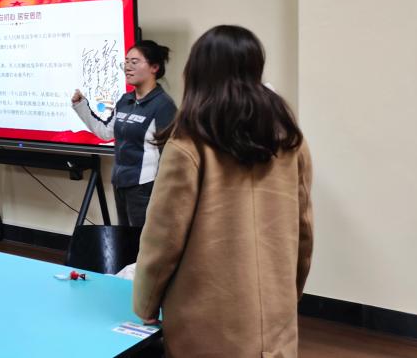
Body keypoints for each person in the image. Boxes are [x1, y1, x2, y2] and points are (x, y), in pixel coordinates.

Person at [133, 25, 314, 357]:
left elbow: (164, 237)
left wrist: (145, 302)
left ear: (197, 72)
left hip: (207, 323)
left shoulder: (188, 142)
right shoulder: (290, 140)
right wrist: (290, 292)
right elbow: (304, 229)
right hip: (275, 319)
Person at [72, 40, 177, 226]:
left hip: (145, 187)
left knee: (141, 241)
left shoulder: (163, 105)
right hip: (120, 183)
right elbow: (105, 132)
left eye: (134, 62)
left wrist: (164, 195)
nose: (128, 67)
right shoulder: (125, 100)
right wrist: (81, 106)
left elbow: (170, 156)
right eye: (126, 62)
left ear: (154, 67)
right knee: (125, 238)